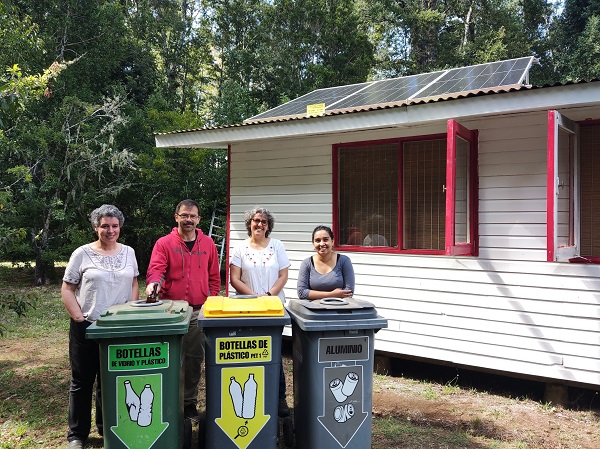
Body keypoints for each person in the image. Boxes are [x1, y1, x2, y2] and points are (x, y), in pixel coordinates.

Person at [61, 205, 139, 449]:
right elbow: (67, 288)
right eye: (105, 225)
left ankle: (107, 428)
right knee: (82, 381)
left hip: (119, 328)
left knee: (111, 380)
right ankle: (77, 435)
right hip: (88, 325)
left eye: (114, 226)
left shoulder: (129, 252)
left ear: (120, 228)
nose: (110, 230)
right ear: (96, 227)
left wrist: (132, 311)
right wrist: (78, 318)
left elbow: (134, 282)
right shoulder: (82, 253)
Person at [145, 199, 221, 419]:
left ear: (198, 219)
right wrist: (153, 284)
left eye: (193, 216)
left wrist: (211, 299)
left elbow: (214, 277)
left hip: (198, 311)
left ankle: (188, 403)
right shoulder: (164, 243)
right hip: (171, 311)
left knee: (194, 359)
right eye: (184, 215)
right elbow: (156, 270)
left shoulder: (207, 244)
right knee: (170, 358)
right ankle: (168, 401)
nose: (188, 220)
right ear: (176, 217)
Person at [229, 206, 291, 417]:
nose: (259, 224)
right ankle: (253, 394)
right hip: (247, 308)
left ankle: (280, 397)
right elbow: (234, 279)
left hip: (274, 308)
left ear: (268, 226)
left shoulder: (277, 246)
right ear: (249, 223)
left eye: (264, 222)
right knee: (251, 350)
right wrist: (256, 298)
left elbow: (283, 275)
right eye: (256, 220)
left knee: (274, 351)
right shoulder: (240, 249)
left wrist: (269, 295)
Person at [297, 225, 355, 300]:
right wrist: (332, 294)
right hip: (313, 310)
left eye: (325, 239)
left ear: (332, 241)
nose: (321, 244)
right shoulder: (307, 263)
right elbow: (302, 292)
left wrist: (314, 294)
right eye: (318, 240)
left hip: (339, 308)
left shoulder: (344, 261)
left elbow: (349, 292)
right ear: (313, 244)